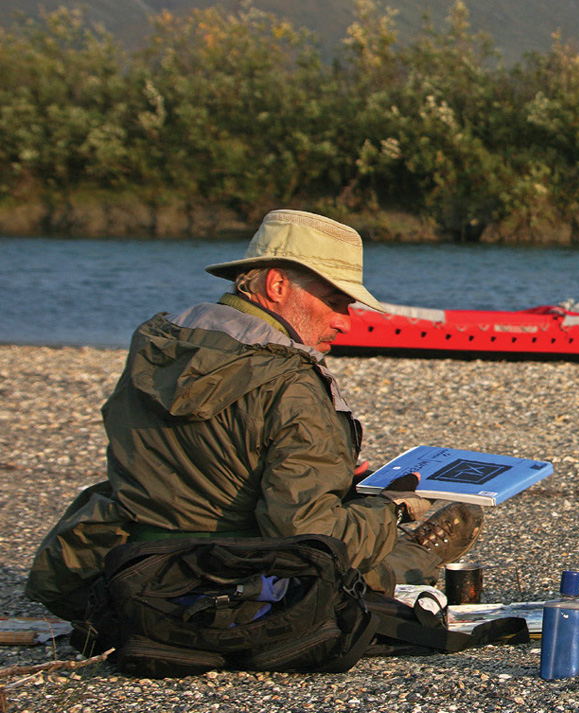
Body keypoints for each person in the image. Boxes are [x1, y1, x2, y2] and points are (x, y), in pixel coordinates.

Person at [25, 209, 483, 622]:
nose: (346, 321)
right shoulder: (292, 383)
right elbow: (307, 535)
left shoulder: (157, 342)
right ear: (277, 285)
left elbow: (205, 460)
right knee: (364, 548)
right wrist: (393, 509)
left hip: (133, 563)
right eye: (336, 301)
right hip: (230, 582)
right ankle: (416, 556)